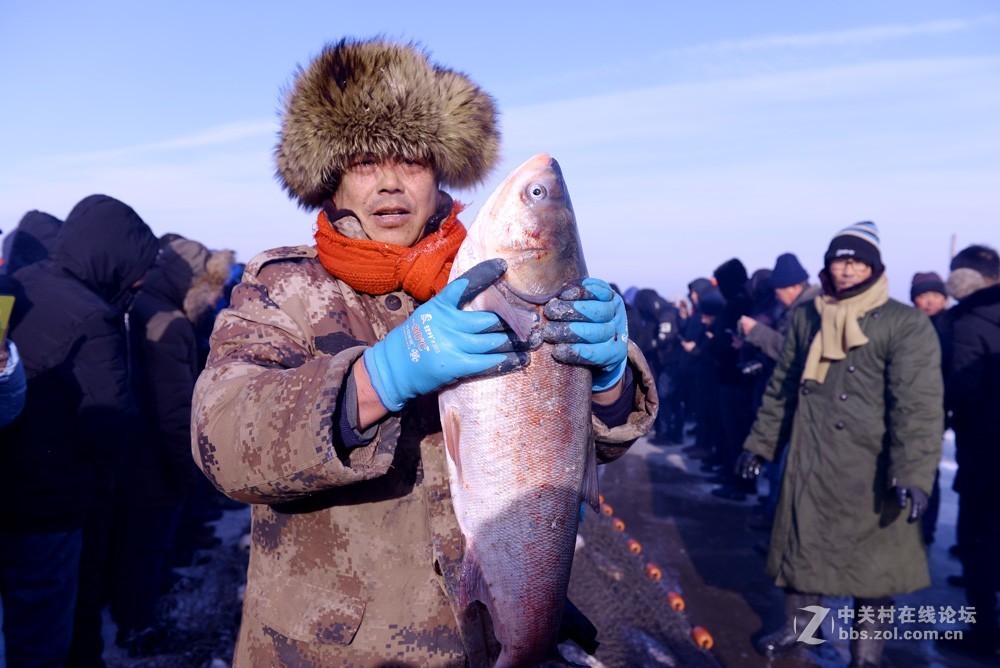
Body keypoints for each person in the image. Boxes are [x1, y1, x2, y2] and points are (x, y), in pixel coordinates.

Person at [190, 38, 656, 665]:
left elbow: (572, 446)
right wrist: (377, 378)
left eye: (410, 159)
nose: (388, 182)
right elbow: (220, 438)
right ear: (331, 176)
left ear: (441, 170)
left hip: (486, 640)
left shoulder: (505, 284)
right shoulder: (283, 287)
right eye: (362, 161)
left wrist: (607, 381)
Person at [736, 222, 943, 667]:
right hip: (812, 460)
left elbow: (918, 407)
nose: (847, 270)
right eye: (839, 260)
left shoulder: (903, 323)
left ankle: (865, 655)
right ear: (827, 265)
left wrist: (913, 474)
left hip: (872, 467)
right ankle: (802, 634)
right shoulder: (810, 316)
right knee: (805, 554)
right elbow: (783, 386)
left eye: (857, 261)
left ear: (873, 266)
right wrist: (760, 445)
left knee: (872, 568)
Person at [0, 195, 159, 667]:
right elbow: (109, 421)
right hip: (52, 503)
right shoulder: (94, 318)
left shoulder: (18, 285)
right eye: (137, 267)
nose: (141, 279)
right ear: (112, 257)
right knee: (41, 634)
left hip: (8, 487)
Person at [109, 238, 236, 655]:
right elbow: (175, 408)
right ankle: (140, 629)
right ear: (191, 282)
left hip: (135, 452)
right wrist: (193, 472)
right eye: (211, 284)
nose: (217, 295)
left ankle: (137, 614)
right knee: (147, 548)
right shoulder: (173, 323)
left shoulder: (142, 309)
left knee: (137, 548)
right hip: (156, 461)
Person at [939, 244, 1000, 661]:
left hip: (985, 450)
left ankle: (983, 632)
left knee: (978, 538)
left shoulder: (965, 322)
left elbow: (964, 387)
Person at [738, 253, 822, 527]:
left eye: (778, 291)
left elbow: (792, 352)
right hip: (786, 396)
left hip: (800, 401)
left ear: (793, 287)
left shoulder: (810, 310)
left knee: (785, 467)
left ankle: (777, 521)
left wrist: (757, 332)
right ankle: (774, 513)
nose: (776, 297)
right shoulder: (799, 308)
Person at [909, 270, 950, 548]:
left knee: (928, 471)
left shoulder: (951, 329)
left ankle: (925, 529)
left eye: (936, 295)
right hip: (909, 408)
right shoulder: (909, 328)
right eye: (923, 296)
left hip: (938, 410)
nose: (930, 302)